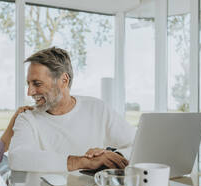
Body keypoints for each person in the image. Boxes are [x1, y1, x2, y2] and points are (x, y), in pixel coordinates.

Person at [8, 47, 136, 172]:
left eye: (37, 83)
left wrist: (111, 157)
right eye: (28, 84)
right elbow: (17, 158)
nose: (29, 92)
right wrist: (84, 162)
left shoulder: (97, 109)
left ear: (64, 80)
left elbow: (137, 145)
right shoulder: (27, 118)